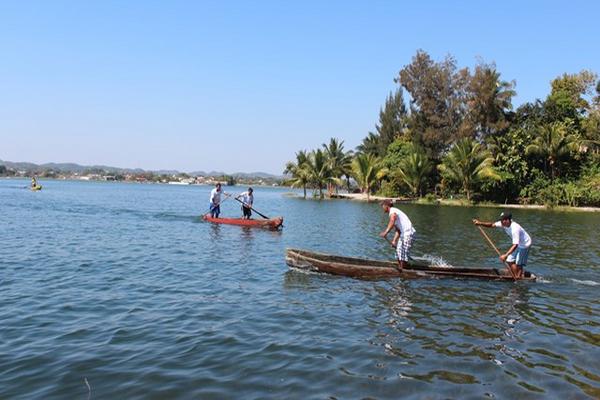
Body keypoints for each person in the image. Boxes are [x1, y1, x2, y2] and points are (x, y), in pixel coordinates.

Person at [473, 211, 532, 278]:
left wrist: (505, 255)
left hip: (525, 244)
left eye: (502, 220)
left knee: (519, 263)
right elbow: (492, 225)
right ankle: (516, 276)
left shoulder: (515, 228)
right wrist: (480, 223)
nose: (501, 222)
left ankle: (518, 278)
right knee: (509, 260)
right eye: (501, 220)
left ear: (507, 220)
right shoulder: (503, 223)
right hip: (517, 244)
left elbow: (515, 245)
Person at [379, 199, 416, 271]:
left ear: (387, 206)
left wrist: (386, 232)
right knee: (398, 253)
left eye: (383, 205)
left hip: (408, 233)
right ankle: (401, 268)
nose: (382, 207)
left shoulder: (392, 211)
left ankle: (403, 271)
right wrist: (394, 241)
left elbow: (392, 220)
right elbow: (398, 230)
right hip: (404, 234)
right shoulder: (393, 212)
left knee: (403, 254)